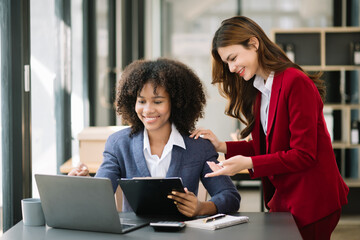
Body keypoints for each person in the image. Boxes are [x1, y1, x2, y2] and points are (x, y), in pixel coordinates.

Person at [190, 16, 349, 239]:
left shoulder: (295, 82)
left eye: (233, 58)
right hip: (285, 198)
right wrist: (222, 145)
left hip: (312, 200)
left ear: (254, 44)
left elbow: (304, 154)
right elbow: (268, 145)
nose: (232, 67)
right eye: (227, 62)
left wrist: (249, 163)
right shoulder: (260, 89)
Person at [69, 58, 240, 217]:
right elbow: (101, 193)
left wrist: (202, 207)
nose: (148, 110)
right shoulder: (118, 144)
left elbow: (230, 196)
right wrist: (85, 185)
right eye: (142, 101)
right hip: (135, 236)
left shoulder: (199, 146)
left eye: (158, 102)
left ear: (176, 103)